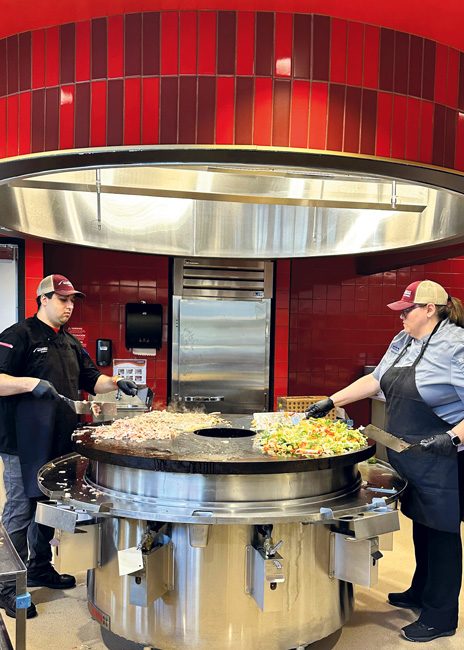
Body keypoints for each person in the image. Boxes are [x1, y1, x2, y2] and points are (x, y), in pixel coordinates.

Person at [305, 279, 464, 643]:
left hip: (443, 457)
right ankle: (420, 592)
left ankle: (441, 615)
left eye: (407, 310)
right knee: (421, 525)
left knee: (441, 532)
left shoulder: (456, 347)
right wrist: (330, 401)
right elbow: (376, 379)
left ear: (430, 309)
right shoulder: (404, 340)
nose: (402, 317)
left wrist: (451, 438)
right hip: (410, 453)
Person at [0, 274, 138, 619]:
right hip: (21, 442)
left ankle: (39, 567)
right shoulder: (19, 335)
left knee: (46, 507)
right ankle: (5, 587)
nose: (69, 306)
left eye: (73, 300)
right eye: (63, 300)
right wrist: (31, 383)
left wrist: (118, 381)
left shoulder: (69, 343)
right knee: (20, 510)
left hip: (58, 440)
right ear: (42, 299)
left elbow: (93, 379)